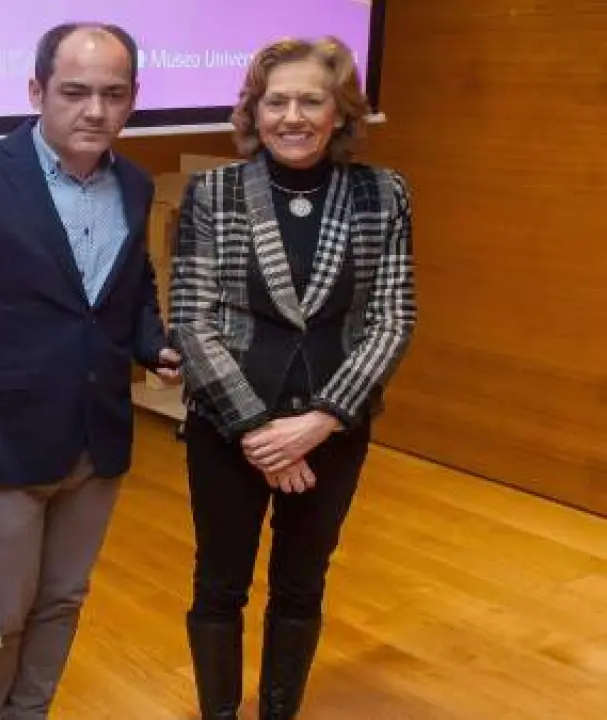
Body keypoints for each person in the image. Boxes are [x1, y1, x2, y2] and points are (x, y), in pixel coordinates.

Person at [0, 22, 181, 720]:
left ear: (134, 98)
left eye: (113, 94)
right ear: (36, 91)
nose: (95, 110)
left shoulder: (135, 184)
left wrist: (153, 345)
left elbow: (129, 289)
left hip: (97, 438)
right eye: (75, 91)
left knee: (62, 599)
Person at [169, 36, 417, 719]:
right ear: (254, 111)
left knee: (302, 586)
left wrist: (321, 420)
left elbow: (393, 318)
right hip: (228, 427)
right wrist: (258, 432)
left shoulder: (383, 193)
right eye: (276, 101)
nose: (292, 117)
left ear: (341, 113)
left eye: (311, 100)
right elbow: (191, 320)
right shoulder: (214, 192)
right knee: (219, 585)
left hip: (332, 429)